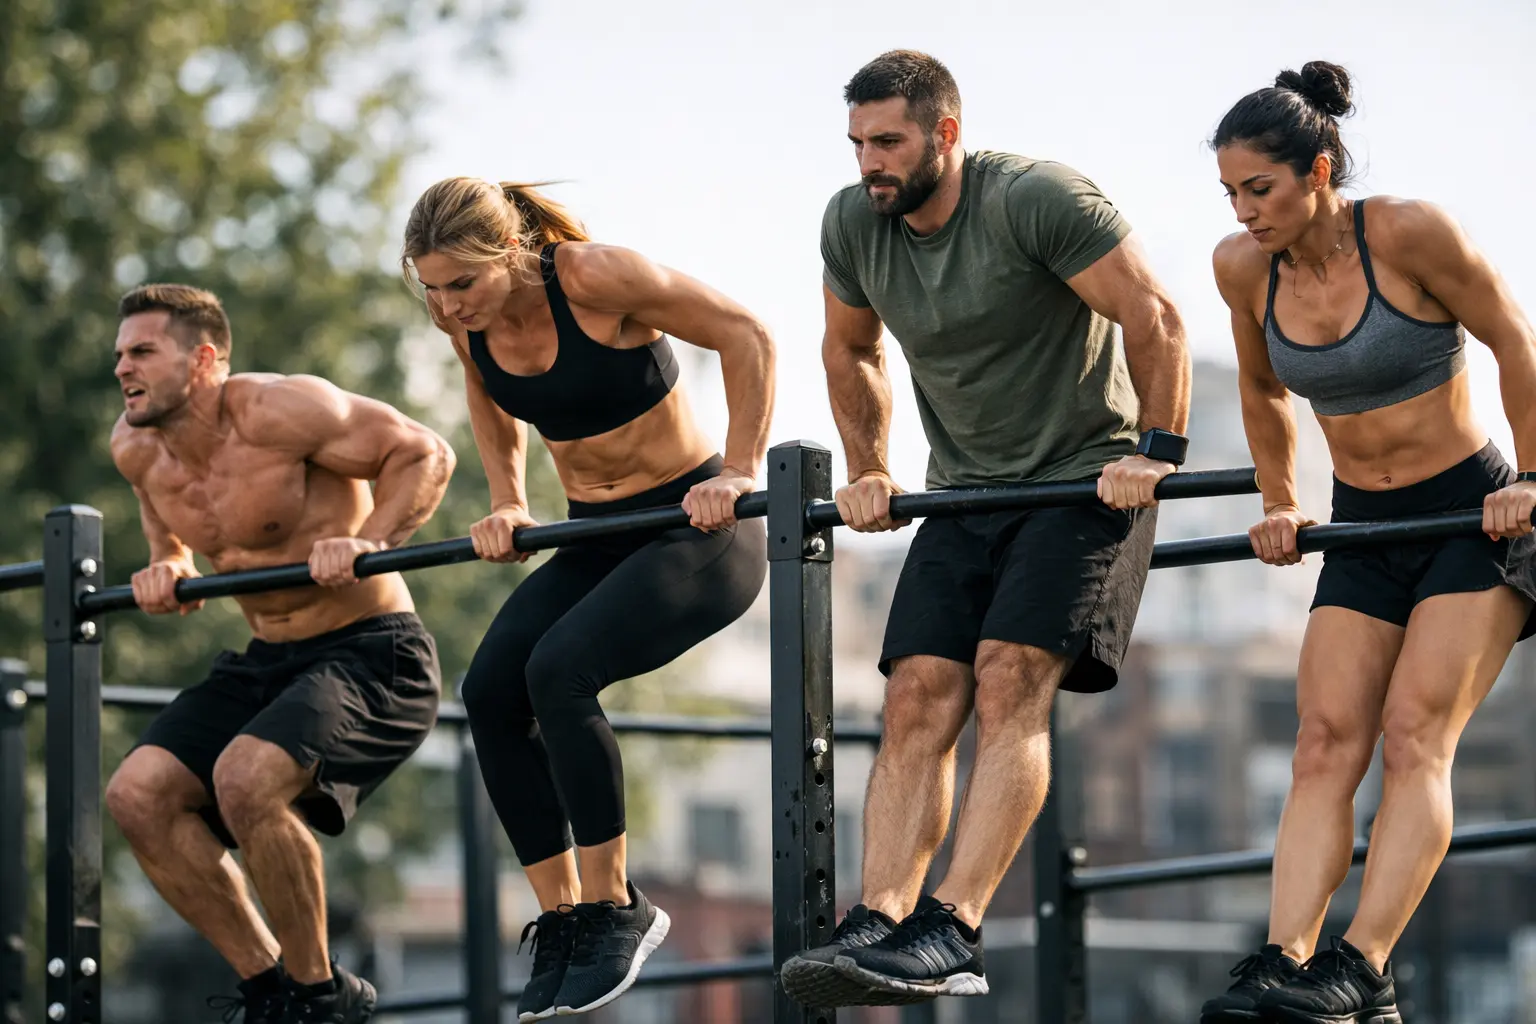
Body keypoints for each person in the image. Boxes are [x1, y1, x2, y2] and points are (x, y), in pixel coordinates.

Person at [780, 50, 1192, 1007]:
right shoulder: (854, 224)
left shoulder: (1037, 201)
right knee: (917, 693)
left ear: (945, 134)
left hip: (1087, 483)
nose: (869, 163)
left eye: (888, 142)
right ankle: (878, 923)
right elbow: (849, 348)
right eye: (857, 144)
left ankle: (955, 928)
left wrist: (1158, 452)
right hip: (965, 491)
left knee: (1010, 676)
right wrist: (871, 467)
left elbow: (1153, 314)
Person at [1199, 62, 1536, 1024]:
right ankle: (1285, 960)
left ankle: (1364, 967)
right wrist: (1278, 497)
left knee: (1414, 736)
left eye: (1258, 188)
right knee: (1320, 743)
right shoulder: (1242, 267)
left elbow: (1516, 340)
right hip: (1360, 518)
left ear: (1318, 166)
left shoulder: (1408, 233)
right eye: (1229, 193)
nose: (1244, 210)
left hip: (1468, 515)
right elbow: (1264, 389)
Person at [399, 177, 773, 1020]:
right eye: (432, 287)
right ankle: (564, 917)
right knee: (491, 692)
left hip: (694, 526)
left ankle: (617, 908)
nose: (450, 304)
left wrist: (742, 472)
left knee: (559, 670)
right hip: (592, 535)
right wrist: (506, 500)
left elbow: (746, 333)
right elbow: (488, 401)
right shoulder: (462, 320)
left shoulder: (595, 279)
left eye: (464, 283)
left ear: (511, 253)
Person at [102, 284, 455, 1024]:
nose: (122, 369)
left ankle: (322, 996)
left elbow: (424, 451)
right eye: (119, 355)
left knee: (244, 777)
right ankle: (271, 993)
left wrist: (374, 542)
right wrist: (167, 560)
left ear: (203, 360)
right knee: (137, 795)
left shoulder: (278, 411)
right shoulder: (134, 446)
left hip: (372, 654)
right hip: (267, 657)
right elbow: (163, 520)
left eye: (142, 352)